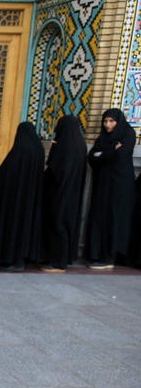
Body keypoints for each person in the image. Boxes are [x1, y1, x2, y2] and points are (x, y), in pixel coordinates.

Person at [0, 121, 46, 271]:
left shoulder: (20, 150)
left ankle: (12, 260)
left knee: (14, 227)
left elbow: (6, 172)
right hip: (30, 200)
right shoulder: (39, 149)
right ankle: (22, 258)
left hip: (15, 200)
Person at [84, 108, 137, 269]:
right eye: (105, 121)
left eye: (111, 121)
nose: (108, 125)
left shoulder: (128, 134)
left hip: (120, 186)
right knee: (100, 217)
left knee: (115, 219)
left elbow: (121, 155)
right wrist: (111, 151)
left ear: (118, 121)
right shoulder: (103, 138)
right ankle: (97, 253)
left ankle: (110, 256)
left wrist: (103, 155)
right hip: (103, 185)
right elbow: (92, 157)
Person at [40, 115, 88, 272]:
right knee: (66, 224)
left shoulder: (63, 145)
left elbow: (54, 169)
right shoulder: (80, 144)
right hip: (73, 193)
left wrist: (54, 149)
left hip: (59, 192)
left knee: (57, 223)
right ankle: (64, 259)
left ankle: (57, 262)